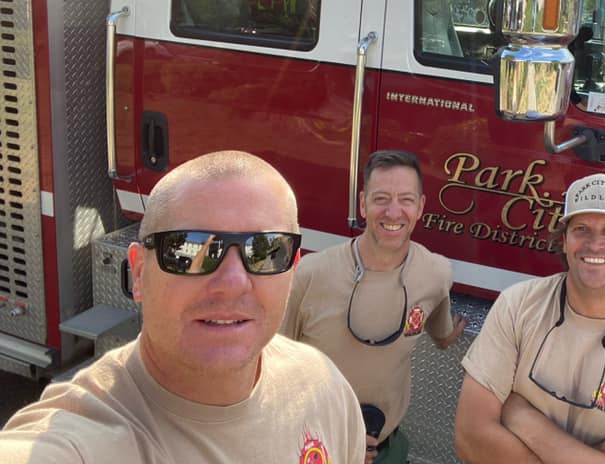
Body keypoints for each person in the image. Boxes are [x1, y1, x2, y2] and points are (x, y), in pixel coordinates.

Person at [0, 151, 366, 464]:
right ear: (140, 273)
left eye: (266, 251)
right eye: (190, 250)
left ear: (292, 270)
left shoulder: (323, 387)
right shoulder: (85, 438)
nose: (233, 282)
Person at [454, 173, 605, 464]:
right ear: (565, 240)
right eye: (581, 229)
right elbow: (470, 438)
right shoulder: (517, 306)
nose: (594, 244)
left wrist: (523, 419)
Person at [282, 149, 467, 464]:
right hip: (311, 446)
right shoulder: (311, 275)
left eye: (406, 200)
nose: (394, 213)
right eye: (381, 198)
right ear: (363, 204)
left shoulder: (436, 274)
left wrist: (452, 336)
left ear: (420, 207)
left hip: (385, 448)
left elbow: (441, 333)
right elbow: (270, 365)